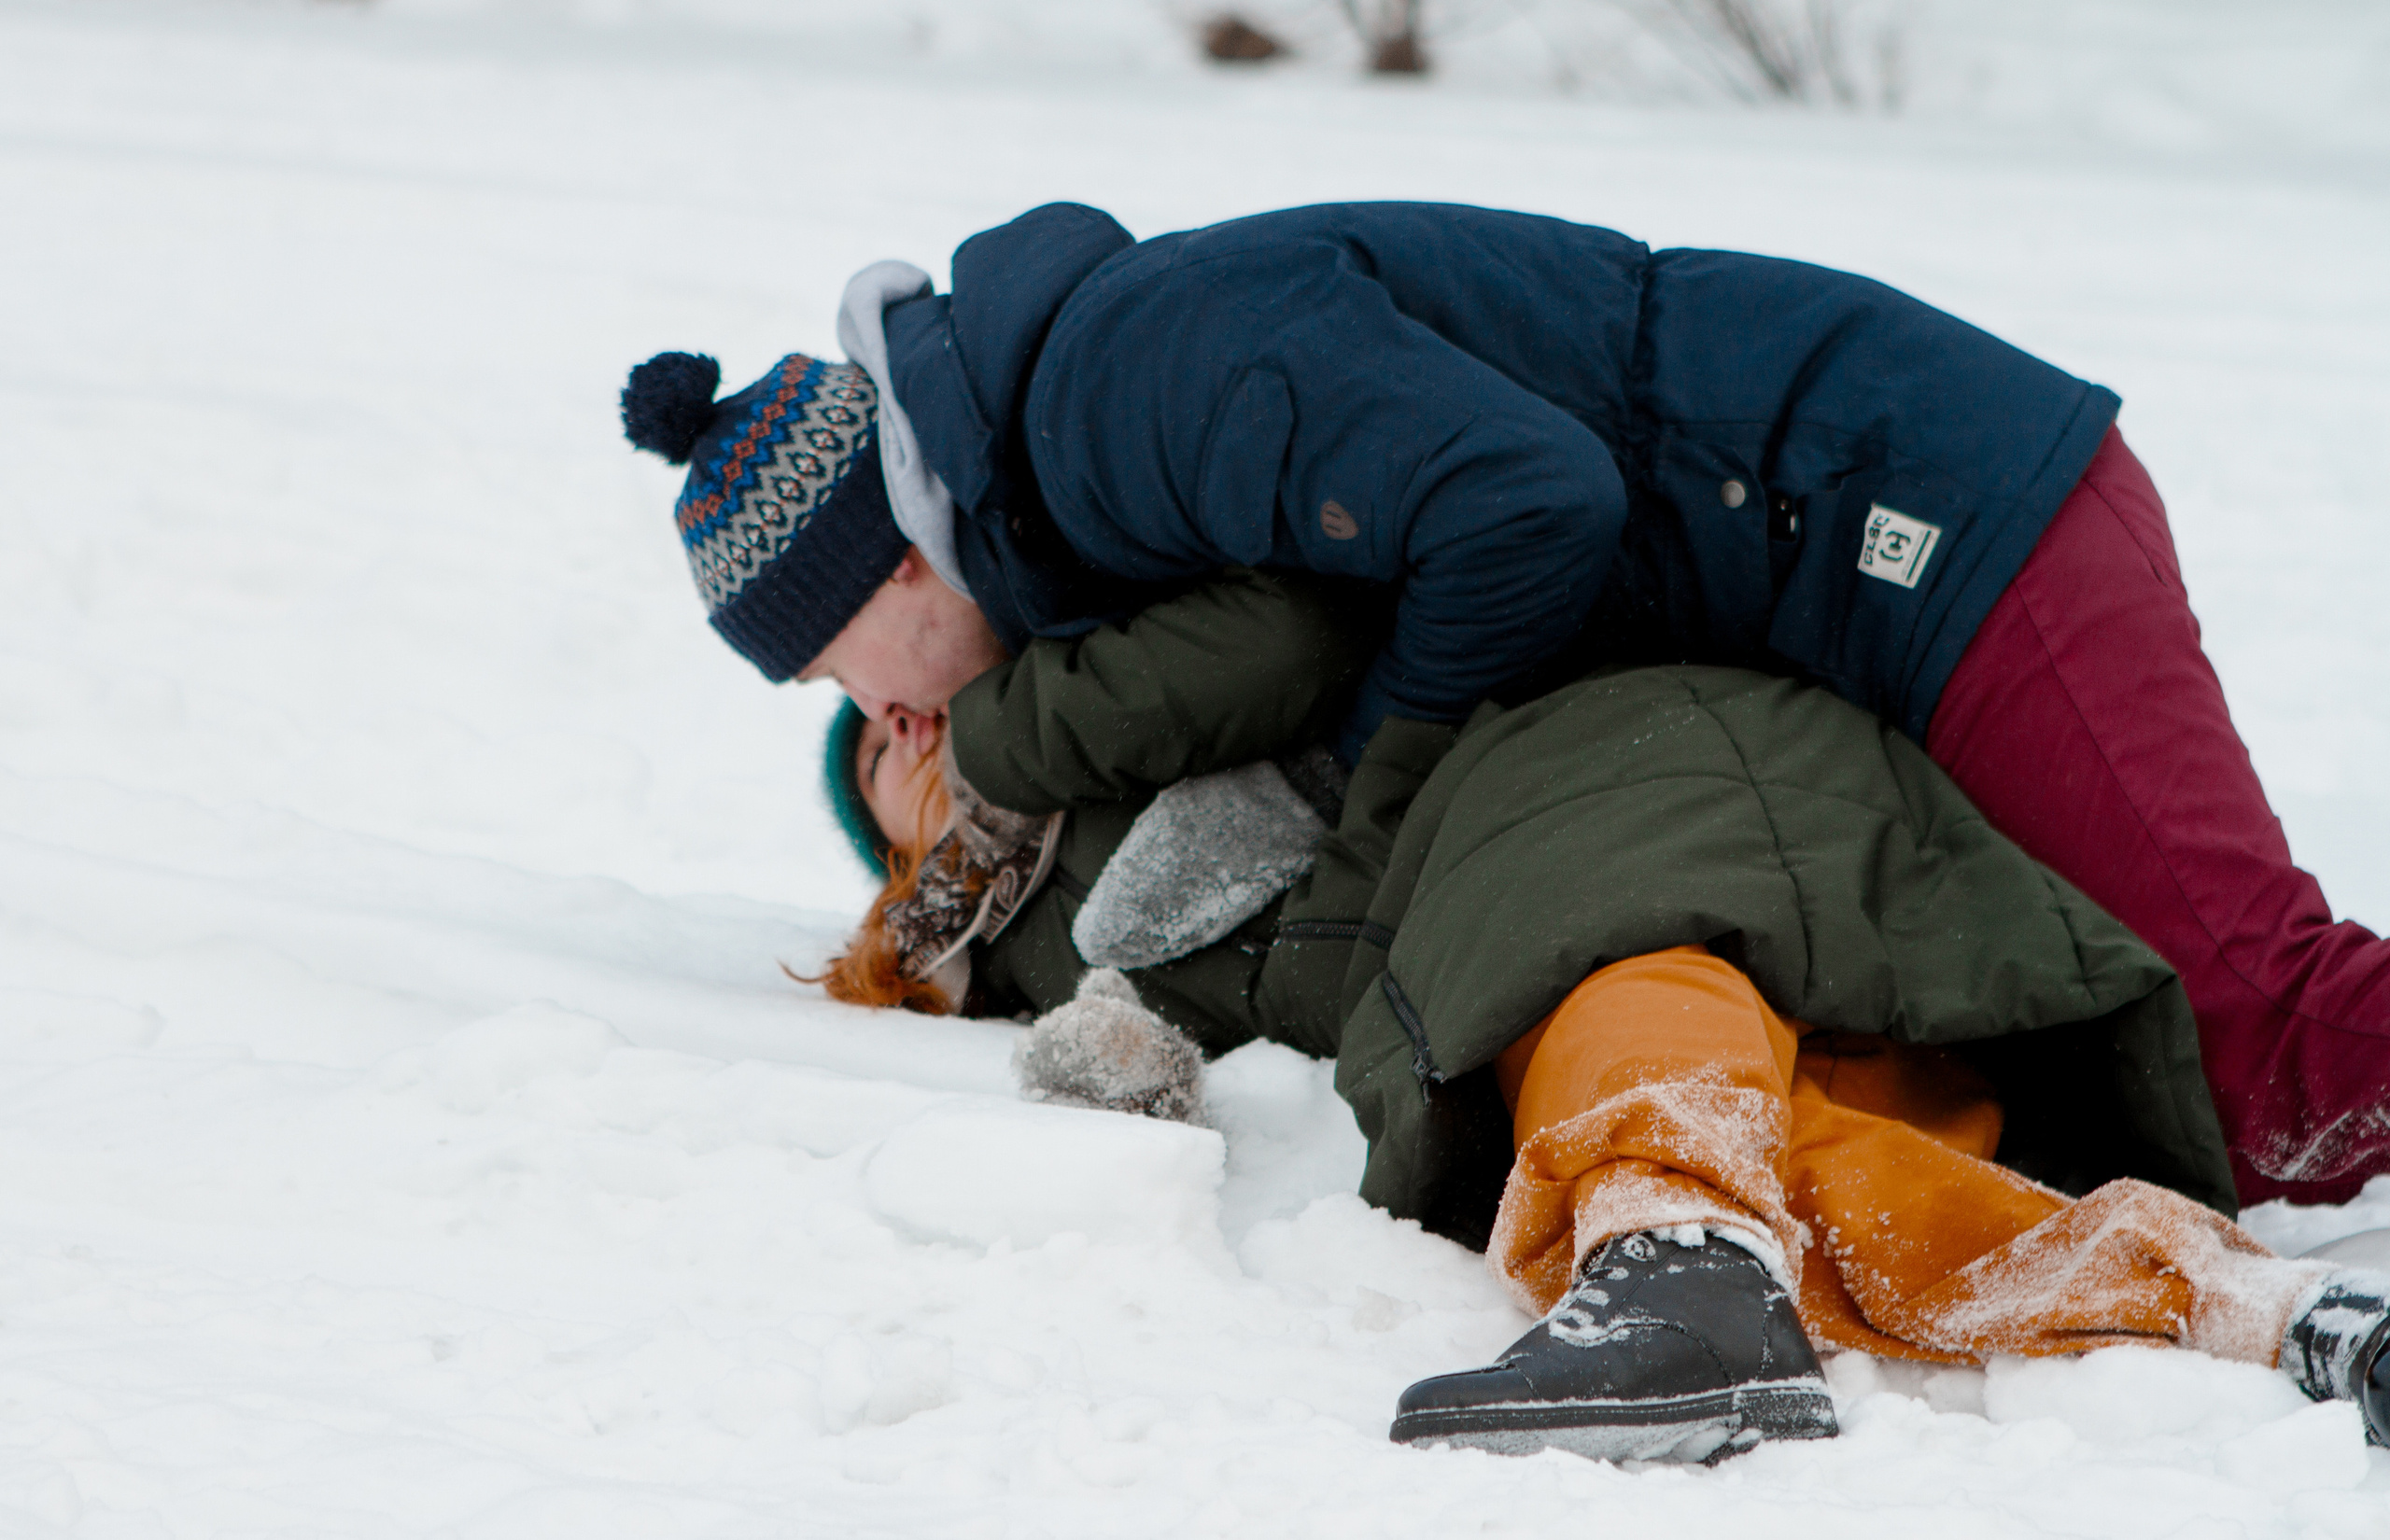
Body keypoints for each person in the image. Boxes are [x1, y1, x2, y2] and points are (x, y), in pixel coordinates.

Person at [619, 201, 2390, 1205]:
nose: (871, 718)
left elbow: (1530, 503)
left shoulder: (1118, 386)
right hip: (1840, 564)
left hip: (1918, 515)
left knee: (2264, 1043)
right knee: (2133, 1070)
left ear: (890, 574)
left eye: (832, 672)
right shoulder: (1072, 465)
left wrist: (1387, 797)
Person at [803, 572, 2390, 1463]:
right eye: (874, 761)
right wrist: (1113, 1036)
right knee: (1829, 1163)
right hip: (1693, 951)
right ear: (888, 864)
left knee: (1609, 970)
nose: (902, 727)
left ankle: (1672, 1254)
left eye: (905, 702)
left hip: (1616, 778)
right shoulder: (1007, 942)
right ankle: (2270, 1316)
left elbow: (1297, 649)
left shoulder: (1115, 694)